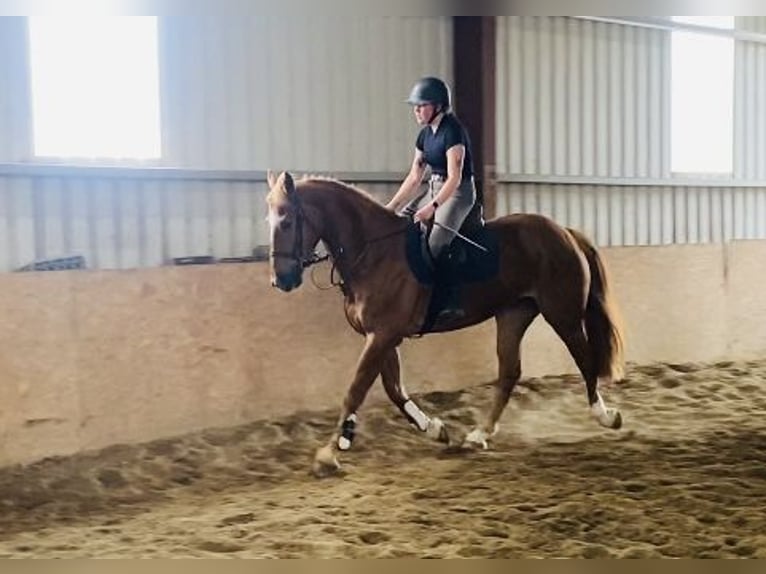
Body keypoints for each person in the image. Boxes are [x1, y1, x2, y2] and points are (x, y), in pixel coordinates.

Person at [386, 76, 477, 320]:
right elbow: (415, 177)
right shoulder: (424, 136)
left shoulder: (453, 131)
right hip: (433, 188)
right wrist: (392, 207)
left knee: (436, 243)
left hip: (458, 193)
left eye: (421, 105)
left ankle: (451, 300)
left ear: (438, 106)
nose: (416, 110)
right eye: (415, 106)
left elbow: (455, 179)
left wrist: (432, 207)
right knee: (400, 224)